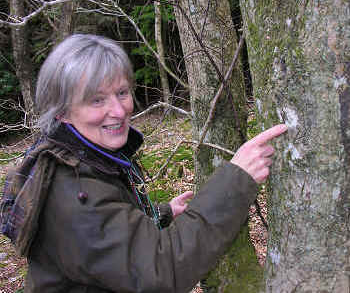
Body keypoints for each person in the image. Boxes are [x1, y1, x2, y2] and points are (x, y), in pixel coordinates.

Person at [0, 34, 287, 293]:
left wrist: (159, 215)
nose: (119, 110)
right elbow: (161, 270)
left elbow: (106, 234)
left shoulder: (78, 160)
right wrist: (236, 179)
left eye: (122, 93)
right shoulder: (73, 192)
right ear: (62, 113)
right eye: (97, 100)